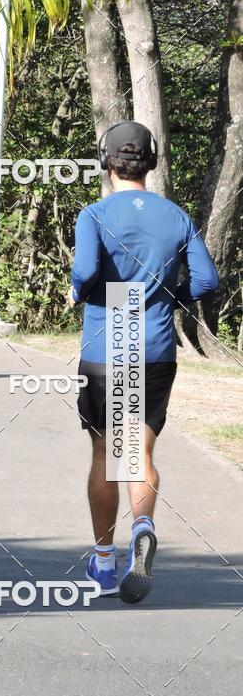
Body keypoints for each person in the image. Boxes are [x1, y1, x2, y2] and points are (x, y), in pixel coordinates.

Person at [68, 121, 218, 604]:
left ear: (105, 161)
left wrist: (80, 292)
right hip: (153, 346)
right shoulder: (177, 217)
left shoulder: (94, 214)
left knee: (104, 454)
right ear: (150, 162)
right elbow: (208, 281)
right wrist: (171, 295)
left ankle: (104, 562)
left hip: (105, 348)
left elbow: (88, 271)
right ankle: (144, 524)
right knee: (139, 454)